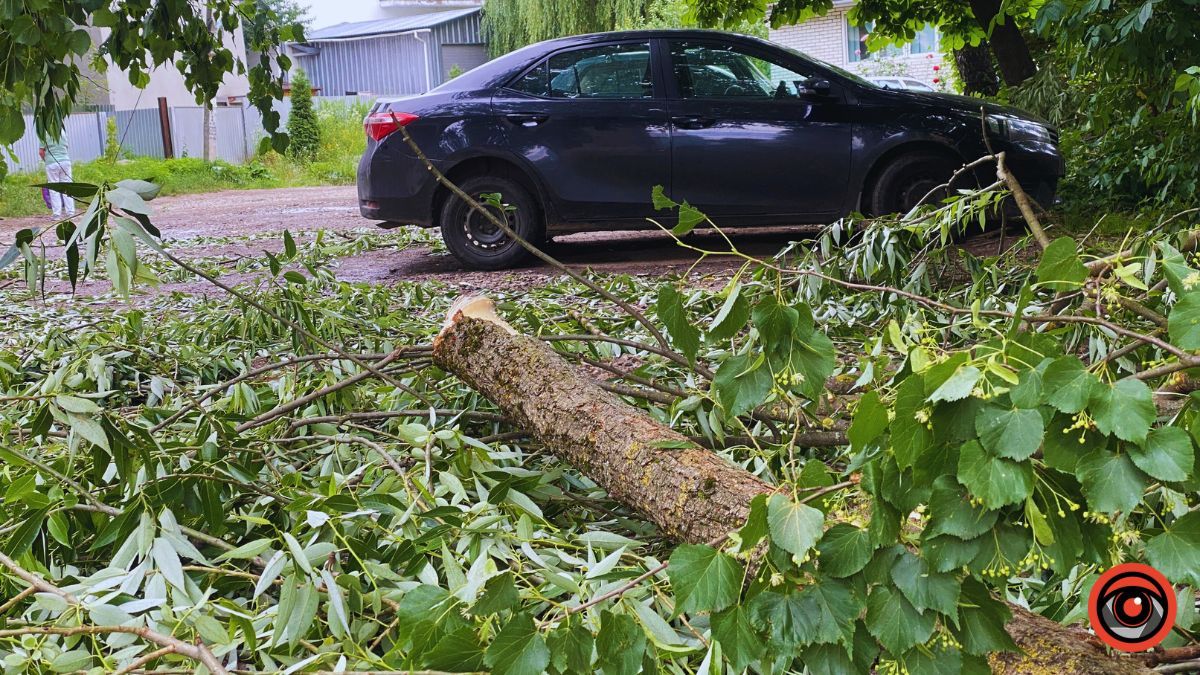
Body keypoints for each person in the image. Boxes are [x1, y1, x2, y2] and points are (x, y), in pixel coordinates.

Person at [38, 129, 75, 220]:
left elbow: (41, 152)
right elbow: (66, 147)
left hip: (52, 163)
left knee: (54, 189)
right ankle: (70, 212)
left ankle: (57, 214)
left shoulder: (44, 133)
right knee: (67, 187)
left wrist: (46, 160)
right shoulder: (62, 132)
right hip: (65, 162)